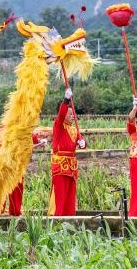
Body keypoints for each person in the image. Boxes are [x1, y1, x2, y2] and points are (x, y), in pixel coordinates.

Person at [48, 88, 86, 217]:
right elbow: (60, 114)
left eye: (72, 115)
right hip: (60, 165)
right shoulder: (58, 125)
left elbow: (82, 142)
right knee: (60, 196)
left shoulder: (74, 130)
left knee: (70, 196)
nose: (72, 117)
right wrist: (65, 100)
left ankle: (70, 218)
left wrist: (83, 143)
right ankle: (57, 219)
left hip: (72, 166)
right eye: (70, 115)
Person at [0, 124, 48, 216]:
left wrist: (37, 140)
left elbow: (27, 135)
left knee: (15, 185)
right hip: (5, 160)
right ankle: (1, 210)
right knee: (2, 186)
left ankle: (12, 210)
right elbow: (1, 143)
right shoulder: (5, 126)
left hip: (15, 161)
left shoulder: (20, 124)